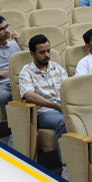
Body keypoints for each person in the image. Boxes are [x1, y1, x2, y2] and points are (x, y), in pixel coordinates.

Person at [17, 34, 69, 162]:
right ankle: (66, 166)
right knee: (64, 121)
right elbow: (29, 95)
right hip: (43, 112)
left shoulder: (57, 68)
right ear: (32, 54)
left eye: (48, 51)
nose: (47, 55)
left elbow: (69, 88)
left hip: (61, 106)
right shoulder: (26, 71)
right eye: (42, 52)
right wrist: (55, 105)